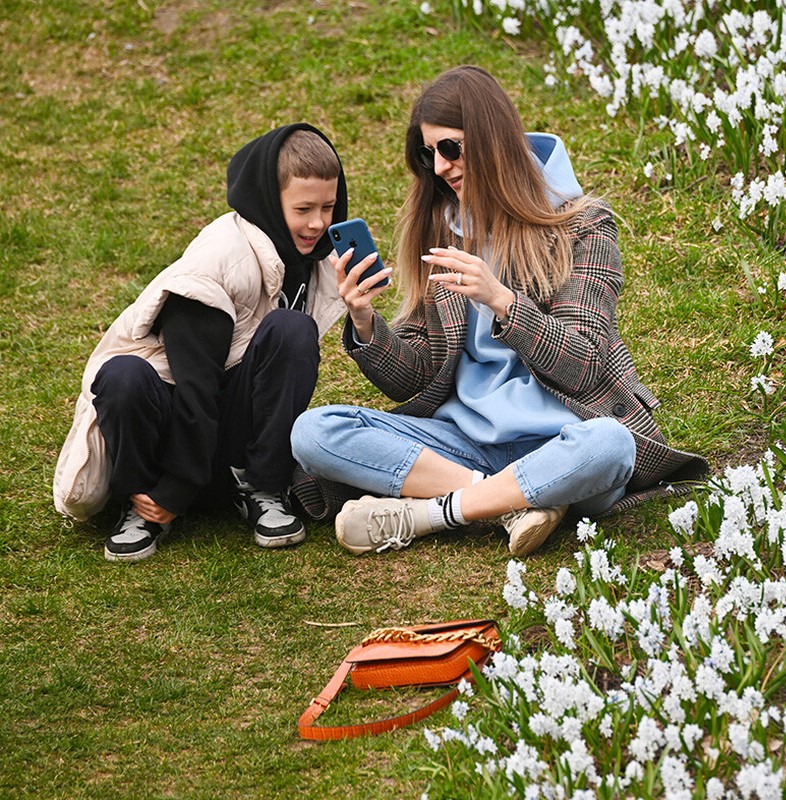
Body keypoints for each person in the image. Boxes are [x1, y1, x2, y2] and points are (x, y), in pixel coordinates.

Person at [290, 66, 708, 558]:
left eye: (451, 147)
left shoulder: (584, 225)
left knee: (612, 445)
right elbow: (417, 380)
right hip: (463, 442)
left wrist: (502, 301)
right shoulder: (442, 229)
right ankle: (512, 502)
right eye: (429, 155)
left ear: (491, 138)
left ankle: (428, 514)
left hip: (563, 438)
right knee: (314, 432)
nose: (441, 167)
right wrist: (365, 322)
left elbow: (586, 362)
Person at [53, 123, 351, 562]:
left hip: (222, 437)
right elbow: (196, 387)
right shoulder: (218, 263)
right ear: (269, 199)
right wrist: (173, 489)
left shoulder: (314, 260)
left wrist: (359, 310)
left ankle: (261, 485)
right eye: (303, 208)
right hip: (168, 430)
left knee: (292, 330)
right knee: (123, 376)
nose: (318, 223)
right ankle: (143, 505)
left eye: (328, 207)